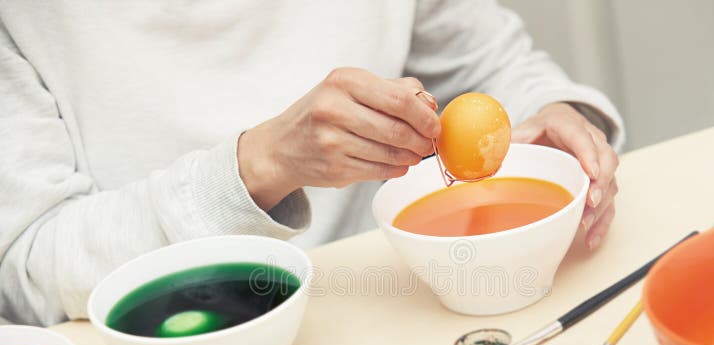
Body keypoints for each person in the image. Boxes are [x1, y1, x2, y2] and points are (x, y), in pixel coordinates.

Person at [0, 0, 624, 326]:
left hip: (400, 305)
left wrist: (564, 118)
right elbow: (29, 272)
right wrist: (260, 165)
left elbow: (497, 66)